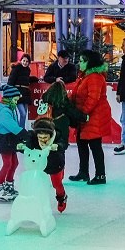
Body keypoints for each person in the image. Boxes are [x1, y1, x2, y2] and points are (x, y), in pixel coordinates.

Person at [38, 80, 86, 212]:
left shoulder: (45, 108)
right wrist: (84, 117)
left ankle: (47, 200)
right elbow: (75, 115)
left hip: (42, 149)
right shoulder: (65, 111)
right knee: (56, 181)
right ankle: (61, 198)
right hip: (56, 150)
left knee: (42, 179)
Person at [70, 50, 111, 186]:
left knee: (95, 145)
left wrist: (83, 113)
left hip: (94, 116)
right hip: (85, 116)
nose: (79, 63)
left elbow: (93, 98)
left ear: (89, 62)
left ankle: (100, 175)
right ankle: (83, 172)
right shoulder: (85, 77)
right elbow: (77, 95)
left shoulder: (94, 77)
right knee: (81, 143)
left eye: (82, 61)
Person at [18, 118, 70, 213]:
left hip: (55, 163)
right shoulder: (32, 137)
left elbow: (63, 144)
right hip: (40, 164)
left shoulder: (57, 136)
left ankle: (62, 197)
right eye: (40, 138)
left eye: (45, 138)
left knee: (56, 184)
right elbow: (27, 145)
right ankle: (37, 203)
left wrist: (58, 146)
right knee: (39, 184)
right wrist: (21, 147)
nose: (43, 140)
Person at [0, 85, 25, 202]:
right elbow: (11, 125)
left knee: (14, 163)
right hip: (4, 138)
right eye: (15, 100)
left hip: (10, 138)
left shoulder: (10, 107)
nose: (16, 102)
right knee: (7, 163)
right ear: (9, 98)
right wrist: (23, 133)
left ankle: (8, 184)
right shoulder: (4, 110)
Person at [7, 53, 38, 127]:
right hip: (18, 93)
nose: (25, 63)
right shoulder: (16, 69)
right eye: (24, 61)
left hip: (25, 93)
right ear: (21, 60)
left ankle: (21, 129)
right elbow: (11, 81)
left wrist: (33, 79)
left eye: (27, 61)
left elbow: (25, 79)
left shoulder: (27, 70)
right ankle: (21, 131)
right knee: (23, 113)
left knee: (24, 114)